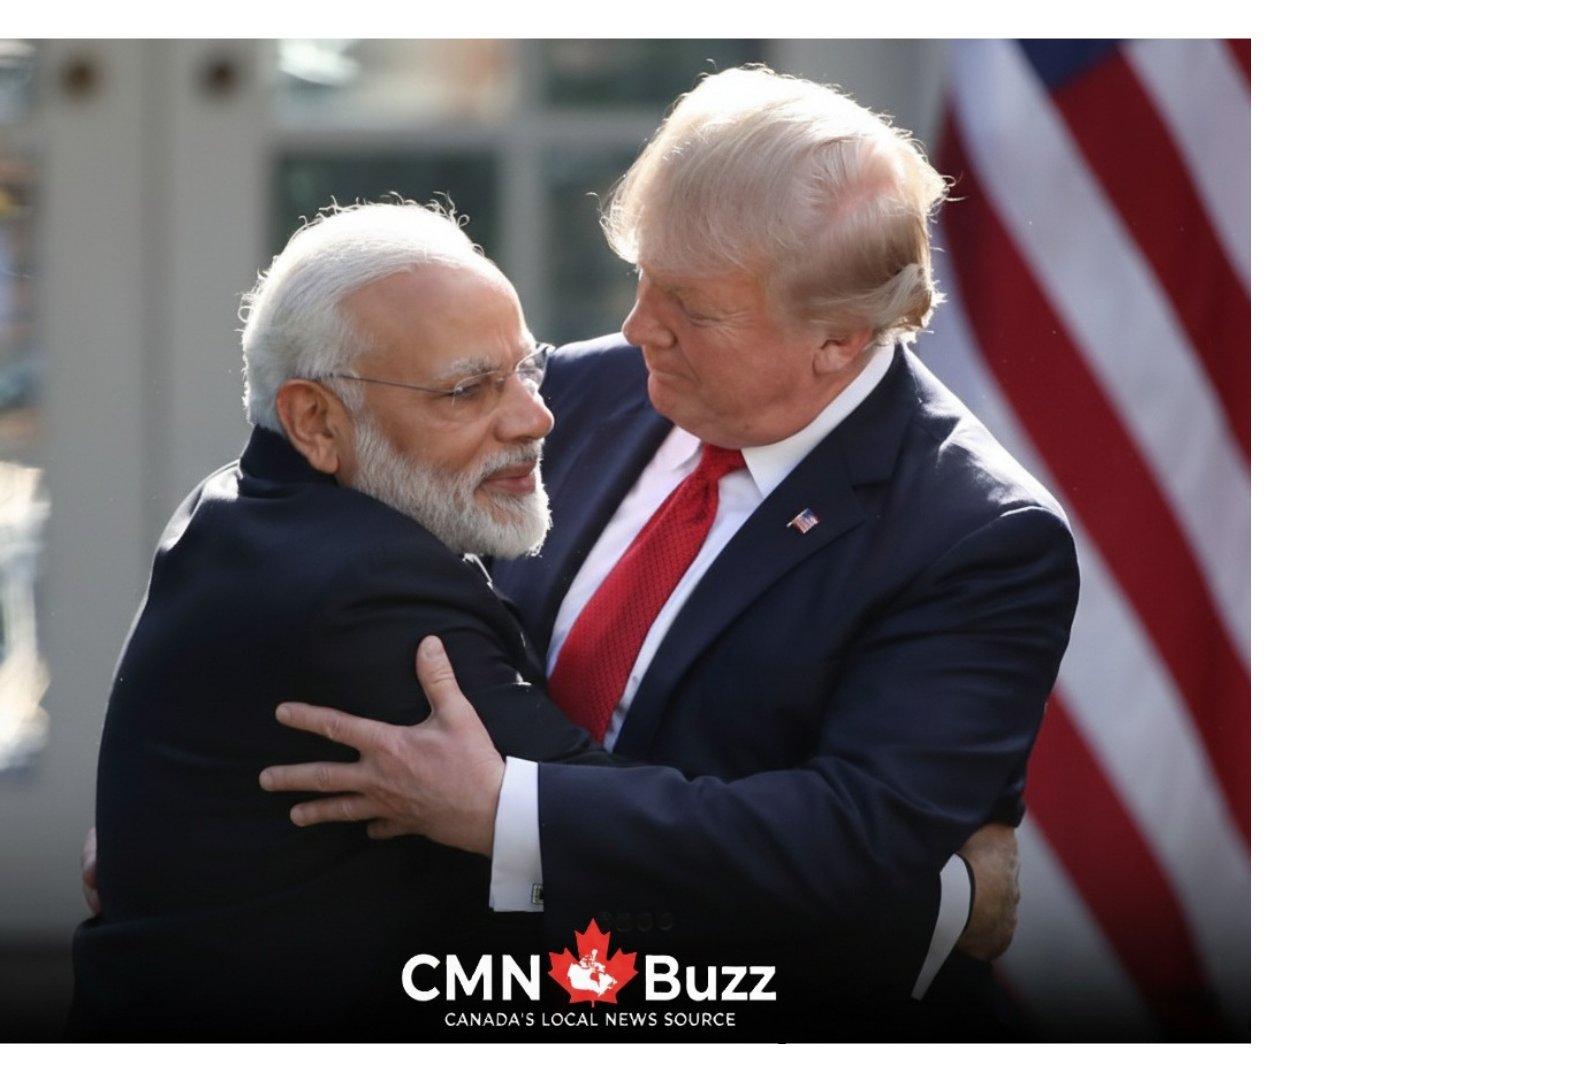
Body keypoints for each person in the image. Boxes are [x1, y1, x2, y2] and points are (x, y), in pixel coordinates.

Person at [260, 66, 1079, 1040]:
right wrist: (182, 813)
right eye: (643, 276)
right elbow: (304, 525)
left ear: (839, 339)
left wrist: (509, 814)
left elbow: (848, 846)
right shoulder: (585, 392)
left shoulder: (980, 539)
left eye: (693, 306)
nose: (639, 325)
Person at [67, 202, 614, 1040]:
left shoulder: (234, 503)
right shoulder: (366, 591)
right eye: (469, 389)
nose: (534, 419)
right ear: (314, 420)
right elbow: (618, 847)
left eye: (527, 370)